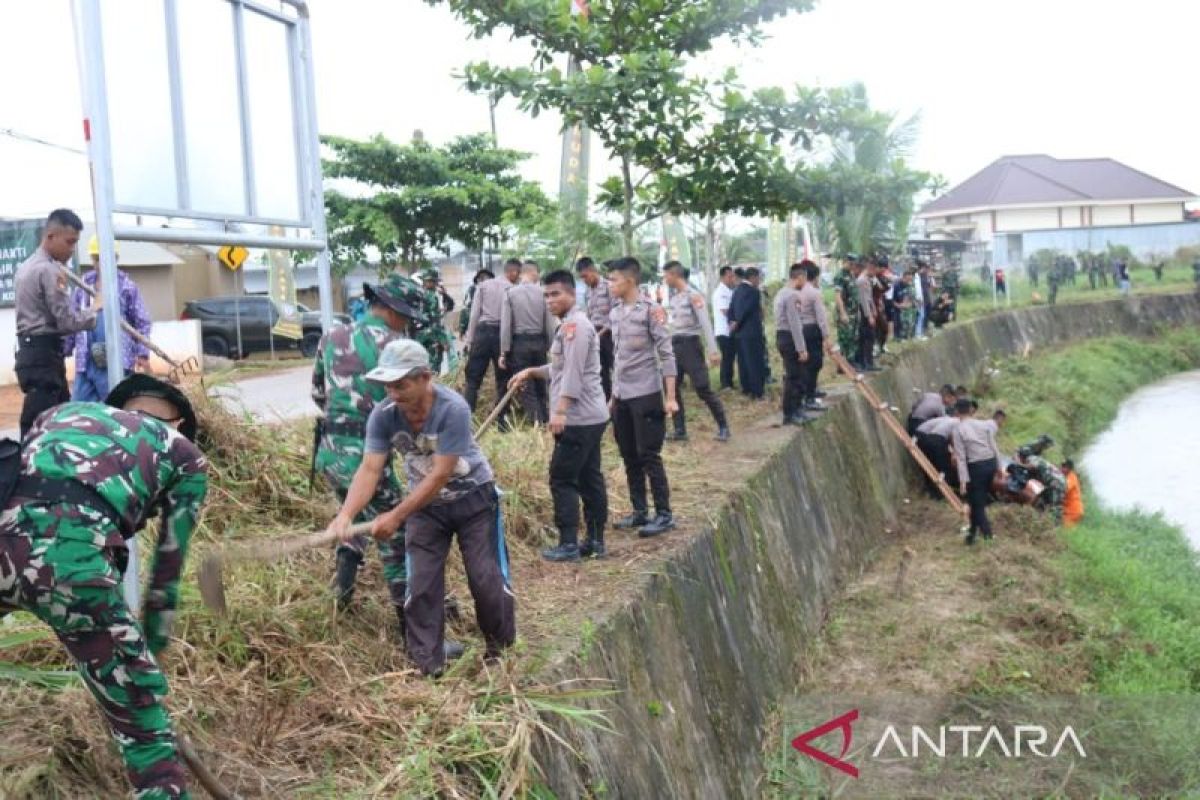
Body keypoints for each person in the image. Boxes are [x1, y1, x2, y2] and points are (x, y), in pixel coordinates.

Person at [0, 374, 206, 798]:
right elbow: (166, 573)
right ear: (179, 425)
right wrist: (144, 658)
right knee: (144, 730)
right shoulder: (186, 457)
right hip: (71, 562)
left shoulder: (59, 413)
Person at [328, 340, 516, 677]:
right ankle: (428, 664)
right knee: (421, 584)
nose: (394, 393)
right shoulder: (383, 416)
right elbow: (370, 469)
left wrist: (396, 515)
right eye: (388, 385)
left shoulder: (452, 408)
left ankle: (500, 651)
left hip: (473, 500)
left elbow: (441, 474)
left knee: (485, 578)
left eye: (401, 384)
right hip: (426, 511)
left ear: (425, 377)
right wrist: (346, 515)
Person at [311, 276, 424, 614]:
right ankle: (412, 625)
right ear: (391, 310)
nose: (406, 321)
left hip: (330, 451)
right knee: (396, 532)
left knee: (352, 514)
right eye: (405, 314)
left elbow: (318, 393)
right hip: (365, 454)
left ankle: (342, 596)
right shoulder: (395, 347)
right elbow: (412, 407)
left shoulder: (331, 336)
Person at [509, 270, 609, 562]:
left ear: (571, 294)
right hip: (591, 415)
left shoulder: (575, 327)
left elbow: (573, 375)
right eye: (546, 295)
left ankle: (568, 543)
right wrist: (531, 371)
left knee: (562, 478)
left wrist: (560, 411)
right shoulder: (569, 326)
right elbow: (560, 369)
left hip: (578, 418)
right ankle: (594, 541)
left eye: (555, 294)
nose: (550, 300)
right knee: (590, 476)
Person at [607, 256, 678, 537]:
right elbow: (618, 357)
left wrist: (671, 396)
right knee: (628, 454)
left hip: (646, 393)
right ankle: (639, 511)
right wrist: (613, 396)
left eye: (614, 279)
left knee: (649, 454)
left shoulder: (652, 310)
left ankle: (664, 513)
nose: (610, 284)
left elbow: (666, 354)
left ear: (630, 280)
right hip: (622, 394)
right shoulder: (615, 313)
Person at [13, 208, 96, 437]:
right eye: (69, 242)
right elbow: (66, 321)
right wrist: (94, 311)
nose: (72, 250)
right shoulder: (48, 271)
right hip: (43, 357)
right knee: (38, 426)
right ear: (51, 237)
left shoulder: (26, 267)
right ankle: (23, 468)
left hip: (32, 354)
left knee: (60, 420)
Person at [65, 236, 154, 402]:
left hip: (116, 361)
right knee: (80, 409)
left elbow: (142, 322)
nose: (101, 263)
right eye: (97, 259)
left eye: (105, 258)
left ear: (115, 259)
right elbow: (73, 318)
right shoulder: (84, 284)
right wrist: (65, 347)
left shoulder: (126, 286)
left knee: (114, 407)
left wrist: (142, 354)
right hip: (87, 361)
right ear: (92, 259)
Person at [663, 261, 729, 442]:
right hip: (674, 345)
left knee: (702, 388)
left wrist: (713, 350)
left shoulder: (693, 296)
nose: (665, 279)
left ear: (675, 275)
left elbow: (705, 323)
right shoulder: (674, 298)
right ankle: (679, 430)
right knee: (671, 387)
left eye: (666, 275)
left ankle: (723, 426)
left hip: (691, 345)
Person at [499, 261, 556, 424]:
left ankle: (537, 421)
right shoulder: (543, 293)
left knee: (525, 386)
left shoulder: (510, 293)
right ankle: (545, 419)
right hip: (539, 342)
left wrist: (504, 351)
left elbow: (506, 326)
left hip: (520, 344)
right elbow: (549, 323)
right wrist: (550, 346)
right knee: (541, 383)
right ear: (533, 273)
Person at [463, 258, 520, 412]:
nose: (519, 277)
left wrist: (469, 340)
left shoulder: (483, 286)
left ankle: (468, 417)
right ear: (513, 272)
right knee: (503, 379)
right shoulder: (513, 289)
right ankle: (502, 420)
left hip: (482, 333)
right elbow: (514, 319)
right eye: (518, 274)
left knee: (473, 380)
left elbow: (474, 315)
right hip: (502, 334)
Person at [952, 398, 1003, 545]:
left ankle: (988, 535)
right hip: (991, 463)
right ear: (971, 410)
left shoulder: (958, 430)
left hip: (977, 467)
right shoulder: (984, 424)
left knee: (977, 504)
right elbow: (994, 446)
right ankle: (972, 535)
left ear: (956, 412)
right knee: (976, 501)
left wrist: (963, 481)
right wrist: (999, 467)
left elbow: (961, 458)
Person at [774, 262, 814, 426]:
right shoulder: (792, 296)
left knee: (793, 375)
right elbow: (795, 323)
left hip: (782, 336)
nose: (805, 284)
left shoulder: (781, 293)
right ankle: (791, 412)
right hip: (790, 337)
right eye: (805, 280)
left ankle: (793, 411)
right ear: (800, 277)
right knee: (795, 376)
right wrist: (802, 348)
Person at [577, 257, 616, 400]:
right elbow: (589, 314)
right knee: (601, 371)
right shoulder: (588, 292)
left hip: (609, 334)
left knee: (616, 368)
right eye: (581, 278)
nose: (584, 280)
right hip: (595, 335)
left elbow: (615, 312)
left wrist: (602, 332)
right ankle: (607, 402)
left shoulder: (608, 286)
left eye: (585, 276)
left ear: (593, 271)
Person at [797, 261, 831, 410]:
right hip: (812, 330)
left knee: (805, 364)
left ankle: (808, 393)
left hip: (800, 330)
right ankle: (809, 396)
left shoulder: (797, 291)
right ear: (815, 277)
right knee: (815, 363)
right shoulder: (814, 293)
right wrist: (826, 336)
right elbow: (821, 317)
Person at [729, 266, 766, 399]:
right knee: (755, 362)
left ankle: (746, 388)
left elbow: (731, 309)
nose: (759, 281)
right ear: (753, 277)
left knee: (743, 362)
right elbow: (747, 310)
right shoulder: (754, 292)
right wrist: (738, 321)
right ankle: (757, 391)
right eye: (759, 278)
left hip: (739, 333)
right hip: (751, 332)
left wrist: (733, 323)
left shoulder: (736, 290)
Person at [915, 414, 960, 496]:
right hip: (936, 440)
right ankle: (940, 492)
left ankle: (930, 489)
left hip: (927, 438)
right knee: (944, 468)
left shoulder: (950, 419)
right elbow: (953, 438)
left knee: (932, 466)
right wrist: (954, 453)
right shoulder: (958, 423)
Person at [832, 254, 861, 360]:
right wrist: (843, 313)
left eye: (854, 264)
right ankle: (843, 364)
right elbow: (838, 296)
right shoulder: (840, 276)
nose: (853, 265)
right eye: (850, 263)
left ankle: (851, 361)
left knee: (853, 338)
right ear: (844, 261)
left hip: (853, 313)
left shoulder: (851, 275)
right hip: (845, 312)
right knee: (845, 339)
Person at [713, 265, 737, 390]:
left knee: (730, 357)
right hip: (723, 331)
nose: (732, 278)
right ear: (722, 277)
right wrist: (738, 319)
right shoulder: (720, 292)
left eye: (733, 276)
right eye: (729, 276)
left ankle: (729, 382)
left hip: (730, 330)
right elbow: (725, 311)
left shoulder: (730, 291)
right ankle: (725, 383)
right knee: (727, 357)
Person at [855, 258, 880, 371]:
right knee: (866, 338)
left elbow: (869, 298)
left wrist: (874, 309)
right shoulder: (862, 281)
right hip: (864, 313)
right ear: (870, 268)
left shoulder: (866, 280)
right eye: (874, 271)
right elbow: (864, 300)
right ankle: (865, 362)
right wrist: (869, 315)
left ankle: (869, 362)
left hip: (869, 310)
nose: (875, 274)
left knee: (870, 337)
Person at [458, 268, 494, 337]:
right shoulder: (473, 290)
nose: (484, 281)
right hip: (478, 332)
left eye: (486, 278)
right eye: (481, 278)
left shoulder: (500, 293)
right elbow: (468, 310)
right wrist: (462, 330)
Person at [1061, 459, 1084, 527]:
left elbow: (1064, 488)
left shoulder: (1071, 477)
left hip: (1073, 510)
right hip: (1070, 510)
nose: (1061, 468)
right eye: (1062, 465)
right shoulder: (1066, 477)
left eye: (1063, 466)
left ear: (1068, 468)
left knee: (1064, 530)